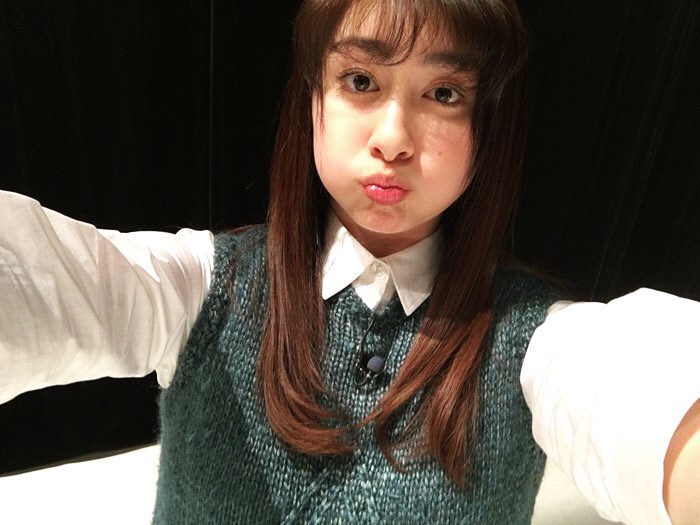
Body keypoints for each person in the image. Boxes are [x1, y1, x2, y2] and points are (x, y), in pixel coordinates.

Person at [0, 0, 698, 523]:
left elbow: (639, 386)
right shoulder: (201, 285)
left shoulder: (539, 344)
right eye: (360, 80)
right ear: (313, 99)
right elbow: (46, 280)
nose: (393, 138)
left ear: (486, 126)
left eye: (444, 94)